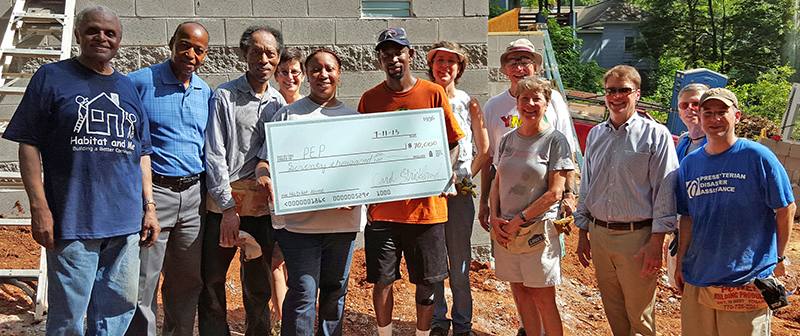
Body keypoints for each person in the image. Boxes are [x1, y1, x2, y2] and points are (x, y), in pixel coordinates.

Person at [2, 6, 159, 335]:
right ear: (78, 35)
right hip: (73, 222)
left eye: (110, 33)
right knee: (69, 317)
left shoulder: (127, 88)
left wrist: (149, 207)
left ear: (119, 41)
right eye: (93, 31)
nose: (101, 37)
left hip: (125, 225)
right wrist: (39, 207)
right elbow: (28, 144)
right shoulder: (52, 77)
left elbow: (141, 151)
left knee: (119, 309)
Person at [358, 28, 465, 336]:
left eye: (399, 51)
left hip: (426, 210)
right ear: (379, 59)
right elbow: (363, 152)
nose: (393, 58)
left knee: (428, 283)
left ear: (410, 55)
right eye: (386, 53)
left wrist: (444, 169)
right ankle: (385, 333)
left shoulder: (432, 93)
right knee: (381, 281)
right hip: (384, 211)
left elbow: (454, 141)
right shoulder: (370, 99)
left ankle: (421, 333)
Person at [255, 48, 367, 336]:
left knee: (334, 291)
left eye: (329, 68)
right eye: (316, 69)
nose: (323, 74)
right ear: (307, 75)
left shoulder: (354, 120)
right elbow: (265, 162)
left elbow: (366, 173)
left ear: (339, 73)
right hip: (298, 225)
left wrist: (358, 194)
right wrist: (264, 176)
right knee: (303, 292)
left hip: (342, 225)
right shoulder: (288, 116)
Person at [675, 88, 796, 335]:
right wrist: (680, 262)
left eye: (722, 112)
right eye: (708, 113)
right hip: (699, 276)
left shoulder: (758, 156)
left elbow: (786, 208)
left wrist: (779, 257)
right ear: (700, 118)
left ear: (737, 116)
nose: (715, 119)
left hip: (745, 282)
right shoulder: (690, 164)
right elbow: (687, 216)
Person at [479, 37, 577, 336]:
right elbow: (495, 176)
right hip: (506, 229)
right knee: (520, 295)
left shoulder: (554, 139)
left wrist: (520, 219)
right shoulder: (507, 135)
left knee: (543, 298)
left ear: (547, 104)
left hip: (536, 230)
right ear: (517, 103)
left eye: (537, 99)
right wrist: (494, 216)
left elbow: (555, 191)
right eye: (525, 99)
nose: (530, 104)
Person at [574, 65, 678, 335]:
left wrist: (657, 242)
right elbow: (587, 185)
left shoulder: (656, 135)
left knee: (639, 314)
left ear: (637, 94)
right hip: (599, 235)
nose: (616, 96)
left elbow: (665, 190)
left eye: (624, 90)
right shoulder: (596, 135)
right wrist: (583, 232)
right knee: (613, 308)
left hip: (637, 238)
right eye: (611, 91)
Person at [125, 22, 211, 336]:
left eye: (199, 50)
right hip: (155, 194)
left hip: (193, 197)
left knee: (187, 280)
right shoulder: (139, 82)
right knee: (144, 280)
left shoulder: (204, 91)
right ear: (171, 42)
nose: (191, 54)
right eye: (185, 45)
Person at [200, 25, 285, 336]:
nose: (263, 58)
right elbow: (214, 153)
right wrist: (227, 209)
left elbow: (272, 157)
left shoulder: (279, 105)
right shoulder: (225, 96)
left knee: (258, 287)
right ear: (244, 53)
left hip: (261, 210)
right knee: (211, 281)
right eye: (256, 51)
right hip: (223, 208)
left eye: (270, 53)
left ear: (277, 58)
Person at [425, 41, 489, 336]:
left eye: (452, 62)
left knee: (460, 260)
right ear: (432, 65)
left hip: (459, 193)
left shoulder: (469, 102)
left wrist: (465, 179)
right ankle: (438, 320)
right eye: (440, 61)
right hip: (429, 195)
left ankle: (463, 322)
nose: (445, 66)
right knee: (434, 259)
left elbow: (484, 148)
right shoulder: (421, 98)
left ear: (459, 68)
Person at [268, 47, 304, 334]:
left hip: (306, 202)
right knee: (276, 261)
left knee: (303, 268)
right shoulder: (269, 108)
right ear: (276, 75)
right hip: (275, 199)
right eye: (284, 72)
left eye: (294, 71)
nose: (289, 77)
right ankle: (281, 322)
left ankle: (300, 320)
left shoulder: (310, 109)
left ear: (302, 75)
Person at [676, 84, 710, 161]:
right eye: (684, 105)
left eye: (696, 104)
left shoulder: (717, 142)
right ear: (680, 113)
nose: (690, 108)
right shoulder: (682, 140)